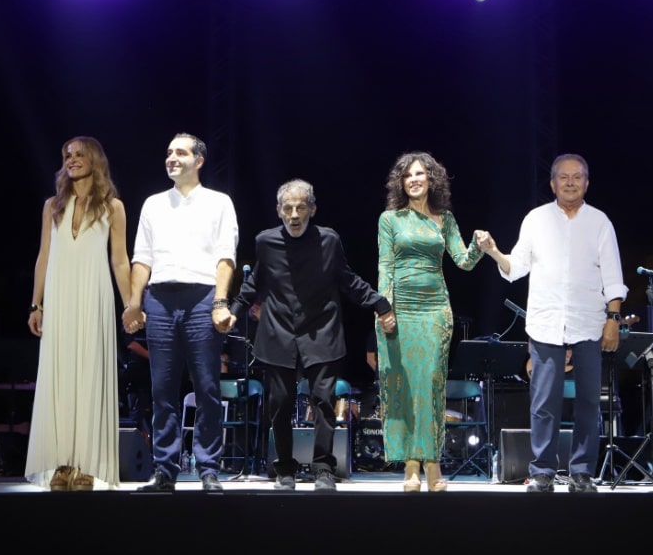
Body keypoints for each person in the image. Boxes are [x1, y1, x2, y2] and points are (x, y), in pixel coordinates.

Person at [227, 178, 395, 492]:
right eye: (288, 208)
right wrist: (234, 310)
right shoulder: (266, 242)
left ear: (312, 209)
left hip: (321, 330)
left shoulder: (328, 240)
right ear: (279, 210)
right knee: (280, 402)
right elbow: (255, 283)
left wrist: (379, 303)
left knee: (324, 402)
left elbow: (347, 280)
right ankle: (285, 469)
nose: (294, 215)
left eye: (300, 208)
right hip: (278, 331)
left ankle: (323, 468)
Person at [476, 153, 628, 494]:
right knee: (544, 401)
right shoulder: (536, 219)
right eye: (563, 177)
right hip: (546, 323)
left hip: (588, 322)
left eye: (577, 177)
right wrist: (494, 251)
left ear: (587, 182)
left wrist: (613, 319)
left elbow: (613, 275)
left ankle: (582, 472)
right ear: (553, 183)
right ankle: (542, 471)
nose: (570, 182)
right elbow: (516, 267)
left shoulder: (600, 222)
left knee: (589, 401)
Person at [122, 132, 238, 494]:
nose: (172, 158)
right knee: (162, 390)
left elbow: (226, 256)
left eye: (181, 153)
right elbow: (142, 258)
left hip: (202, 296)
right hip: (159, 299)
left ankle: (208, 468)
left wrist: (220, 302)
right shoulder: (153, 204)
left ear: (198, 161)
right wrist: (134, 302)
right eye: (169, 152)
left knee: (207, 387)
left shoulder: (219, 202)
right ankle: (165, 469)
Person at [24, 136, 133, 491]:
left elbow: (120, 260)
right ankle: (62, 464)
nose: (71, 159)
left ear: (94, 160)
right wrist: (37, 304)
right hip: (59, 298)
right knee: (59, 376)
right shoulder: (52, 206)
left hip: (93, 295)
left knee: (89, 374)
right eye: (67, 155)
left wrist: (131, 304)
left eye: (79, 154)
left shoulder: (112, 206)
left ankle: (86, 466)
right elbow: (44, 256)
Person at [375, 151, 485, 492]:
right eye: (408, 175)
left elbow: (463, 261)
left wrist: (479, 246)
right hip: (400, 311)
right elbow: (385, 266)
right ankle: (410, 464)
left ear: (431, 179)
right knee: (404, 386)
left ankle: (432, 463)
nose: (414, 180)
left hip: (435, 310)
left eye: (420, 174)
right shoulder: (390, 219)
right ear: (401, 182)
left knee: (431, 385)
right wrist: (384, 309)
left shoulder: (445, 219)